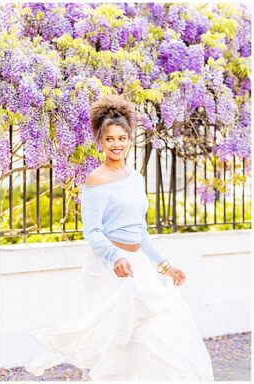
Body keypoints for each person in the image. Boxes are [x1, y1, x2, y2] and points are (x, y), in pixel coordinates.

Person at [26, 94, 213, 380]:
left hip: (137, 265)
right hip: (108, 268)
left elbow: (142, 231)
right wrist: (115, 257)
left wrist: (165, 266)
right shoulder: (95, 180)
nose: (116, 144)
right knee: (119, 343)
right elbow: (93, 231)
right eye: (110, 138)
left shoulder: (136, 178)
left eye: (122, 138)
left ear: (130, 139)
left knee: (158, 335)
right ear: (100, 141)